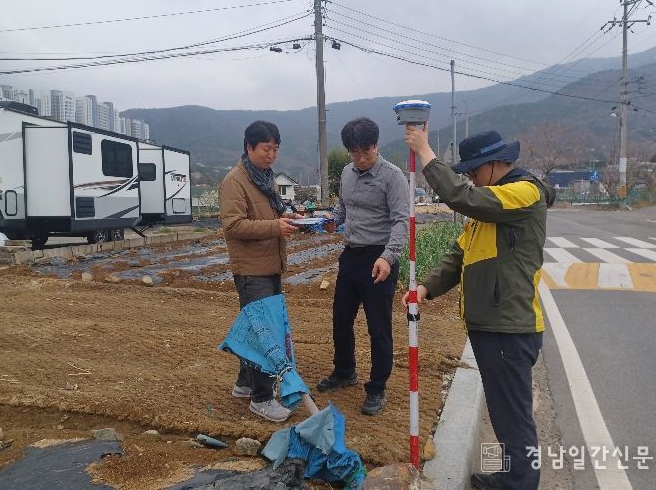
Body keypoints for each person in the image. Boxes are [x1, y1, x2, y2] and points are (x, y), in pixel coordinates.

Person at [402, 125, 555, 490]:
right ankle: (513, 476)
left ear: (495, 163)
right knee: (504, 412)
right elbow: (460, 253)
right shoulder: (493, 205)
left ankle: (521, 483)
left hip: (508, 327)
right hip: (491, 325)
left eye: (473, 170)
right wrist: (426, 287)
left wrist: (426, 153)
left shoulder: (523, 192)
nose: (470, 177)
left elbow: (463, 198)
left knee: (513, 417)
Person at [317, 117, 409, 416]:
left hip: (379, 260)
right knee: (341, 320)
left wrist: (388, 256)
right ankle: (345, 371)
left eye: (365, 152)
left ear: (375, 145)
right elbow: (343, 209)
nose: (360, 159)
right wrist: (332, 220)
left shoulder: (392, 176)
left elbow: (401, 222)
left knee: (378, 328)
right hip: (351, 257)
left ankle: (377, 387)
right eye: (354, 153)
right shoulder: (347, 173)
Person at [219, 120, 301, 423]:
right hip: (251, 270)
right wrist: (275, 227)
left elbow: (272, 213)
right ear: (249, 147)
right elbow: (233, 226)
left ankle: (244, 384)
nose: (271, 155)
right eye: (266, 149)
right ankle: (262, 398)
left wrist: (290, 218)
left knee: (257, 328)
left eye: (275, 149)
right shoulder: (235, 181)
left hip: (269, 265)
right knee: (264, 333)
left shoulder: (264, 179)